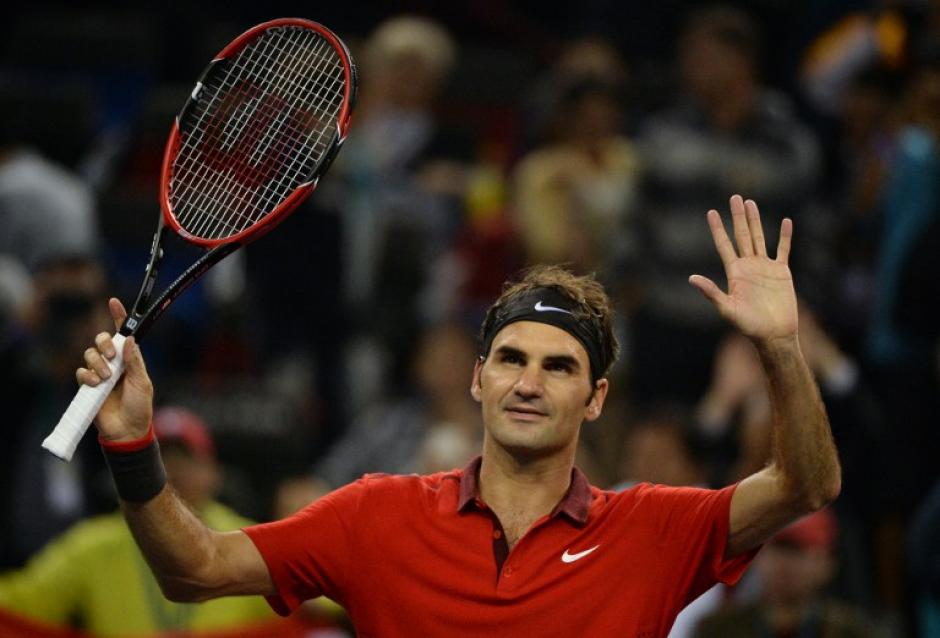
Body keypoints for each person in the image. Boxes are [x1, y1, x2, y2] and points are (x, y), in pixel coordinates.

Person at [74, 195, 840, 636]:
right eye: (511, 359)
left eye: (559, 366)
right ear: (479, 379)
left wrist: (779, 348)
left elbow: (806, 485)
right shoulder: (375, 515)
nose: (529, 383)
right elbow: (195, 571)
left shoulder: (653, 530)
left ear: (596, 398)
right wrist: (131, 443)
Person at [0, 406, 285, 636]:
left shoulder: (246, 539)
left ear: (215, 474)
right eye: (159, 457)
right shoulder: (93, 546)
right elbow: (20, 602)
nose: (175, 470)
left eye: (188, 459)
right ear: (131, 470)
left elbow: (313, 603)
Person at [693, 508, 873, 638]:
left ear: (826, 563)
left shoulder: (854, 631)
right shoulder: (716, 630)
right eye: (776, 549)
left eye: (797, 552)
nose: (784, 564)